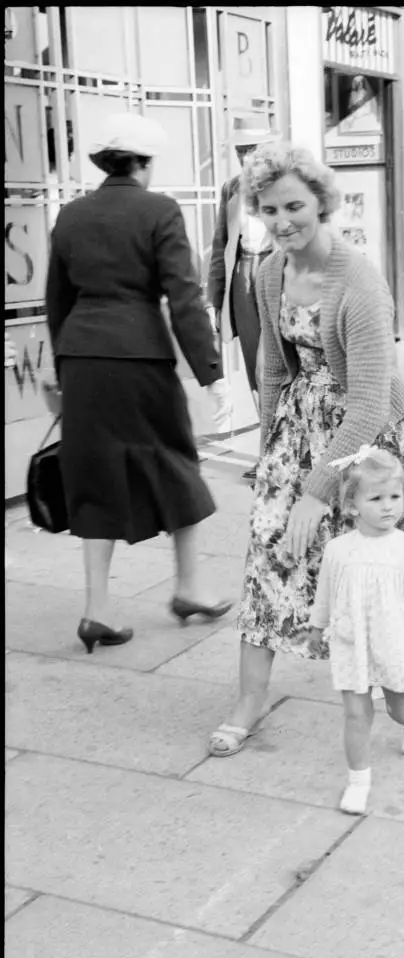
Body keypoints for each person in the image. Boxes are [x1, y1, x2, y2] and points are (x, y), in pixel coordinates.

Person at [208, 142, 404, 758]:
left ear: (321, 202)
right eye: (268, 210)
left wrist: (317, 494)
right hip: (300, 430)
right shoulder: (270, 272)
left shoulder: (361, 281)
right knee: (271, 554)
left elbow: (369, 401)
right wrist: (273, 457)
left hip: (375, 429)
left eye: (294, 206)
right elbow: (272, 366)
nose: (282, 221)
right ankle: (248, 701)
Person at [44, 112, 234, 654]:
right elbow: (184, 297)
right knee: (175, 461)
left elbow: (58, 301)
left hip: (82, 359)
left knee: (95, 473)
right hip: (140, 358)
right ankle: (189, 587)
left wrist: (64, 372)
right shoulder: (159, 210)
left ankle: (97, 609)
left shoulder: (71, 215)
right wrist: (211, 374)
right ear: (144, 163)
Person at [308, 446, 404, 815]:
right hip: (351, 642)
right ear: (352, 505)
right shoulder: (338, 550)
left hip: (397, 643)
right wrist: (316, 626)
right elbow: (326, 591)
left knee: (399, 708)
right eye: (376, 498)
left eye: (395, 496)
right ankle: (358, 781)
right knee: (357, 713)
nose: (388, 506)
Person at [207, 113, 281, 482]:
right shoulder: (232, 188)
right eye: (240, 149)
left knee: (272, 367)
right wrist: (213, 299)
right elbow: (221, 244)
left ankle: (282, 452)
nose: (245, 156)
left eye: (251, 149)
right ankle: (269, 454)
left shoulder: (285, 185)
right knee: (255, 369)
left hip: (276, 274)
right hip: (242, 279)